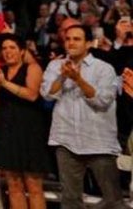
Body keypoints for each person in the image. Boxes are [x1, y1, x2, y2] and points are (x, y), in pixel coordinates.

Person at [41, 24, 123, 208]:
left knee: (113, 200)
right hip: (65, 139)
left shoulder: (104, 69)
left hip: (99, 141)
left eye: (76, 39)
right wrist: (62, 77)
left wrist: (78, 80)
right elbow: (47, 94)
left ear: (88, 44)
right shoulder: (55, 66)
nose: (71, 43)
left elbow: (102, 100)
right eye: (68, 39)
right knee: (70, 199)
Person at [0, 33, 49, 209]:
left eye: (12, 47)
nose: (8, 51)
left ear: (22, 51)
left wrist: (4, 83)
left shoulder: (32, 68)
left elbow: (32, 94)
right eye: (4, 48)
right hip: (6, 131)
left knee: (34, 186)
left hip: (30, 132)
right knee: (13, 185)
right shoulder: (0, 71)